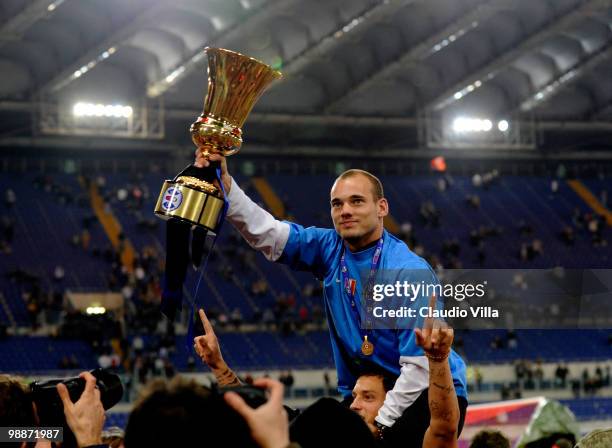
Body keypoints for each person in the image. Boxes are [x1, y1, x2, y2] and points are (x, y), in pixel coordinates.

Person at [194, 153, 468, 443]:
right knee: (303, 432)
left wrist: (377, 425)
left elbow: (418, 367)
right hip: (366, 391)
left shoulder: (408, 271)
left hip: (424, 391)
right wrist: (227, 186)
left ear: (382, 207)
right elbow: (270, 235)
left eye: (357, 201)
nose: (345, 211)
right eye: (337, 204)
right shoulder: (329, 246)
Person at [195, 298, 461, 448]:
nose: (355, 404)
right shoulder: (326, 432)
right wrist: (219, 366)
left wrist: (437, 360)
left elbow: (443, 430)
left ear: (394, 403)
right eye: (355, 396)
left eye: (368, 397)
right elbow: (264, 414)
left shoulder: (402, 444)